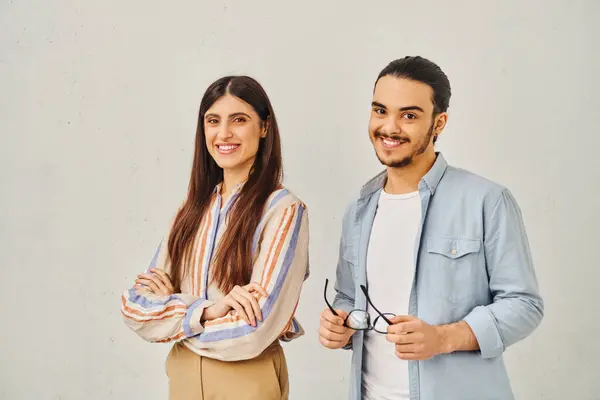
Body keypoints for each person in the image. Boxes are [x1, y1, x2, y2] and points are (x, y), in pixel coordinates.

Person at [318, 56, 543, 400]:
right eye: (380, 111)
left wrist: (444, 337)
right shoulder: (360, 208)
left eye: (409, 115)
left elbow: (524, 304)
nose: (389, 127)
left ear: (439, 123)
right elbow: (348, 297)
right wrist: (341, 323)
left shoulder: (487, 200)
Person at [121, 75, 309, 400]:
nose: (224, 134)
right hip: (182, 379)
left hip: (246, 380)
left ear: (264, 127)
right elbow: (135, 307)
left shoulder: (283, 210)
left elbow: (253, 330)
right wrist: (207, 311)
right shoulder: (191, 210)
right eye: (213, 121)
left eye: (239, 120)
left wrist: (175, 318)